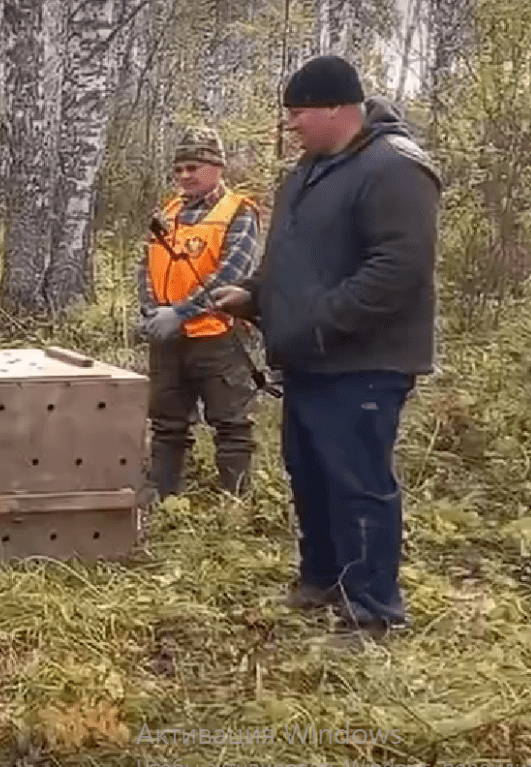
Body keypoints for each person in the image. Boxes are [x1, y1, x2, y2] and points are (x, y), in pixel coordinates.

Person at [211, 55, 442, 637]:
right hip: (310, 356)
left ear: (338, 108)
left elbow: (399, 269)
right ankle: (321, 580)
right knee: (309, 472)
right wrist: (254, 295)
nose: (292, 126)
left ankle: (373, 612)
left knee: (357, 480)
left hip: (364, 360)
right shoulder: (308, 172)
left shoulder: (395, 168)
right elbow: (287, 262)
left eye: (299, 114)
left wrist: (318, 320)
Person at [137, 126, 262, 498]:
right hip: (167, 338)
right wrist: (153, 313)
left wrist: (182, 313)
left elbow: (232, 273)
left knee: (232, 425)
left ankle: (234, 505)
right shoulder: (168, 213)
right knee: (167, 424)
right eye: (178, 169)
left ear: (216, 167)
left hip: (218, 337)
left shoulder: (238, 212)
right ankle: (162, 499)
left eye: (193, 167)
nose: (184, 176)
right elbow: (145, 266)